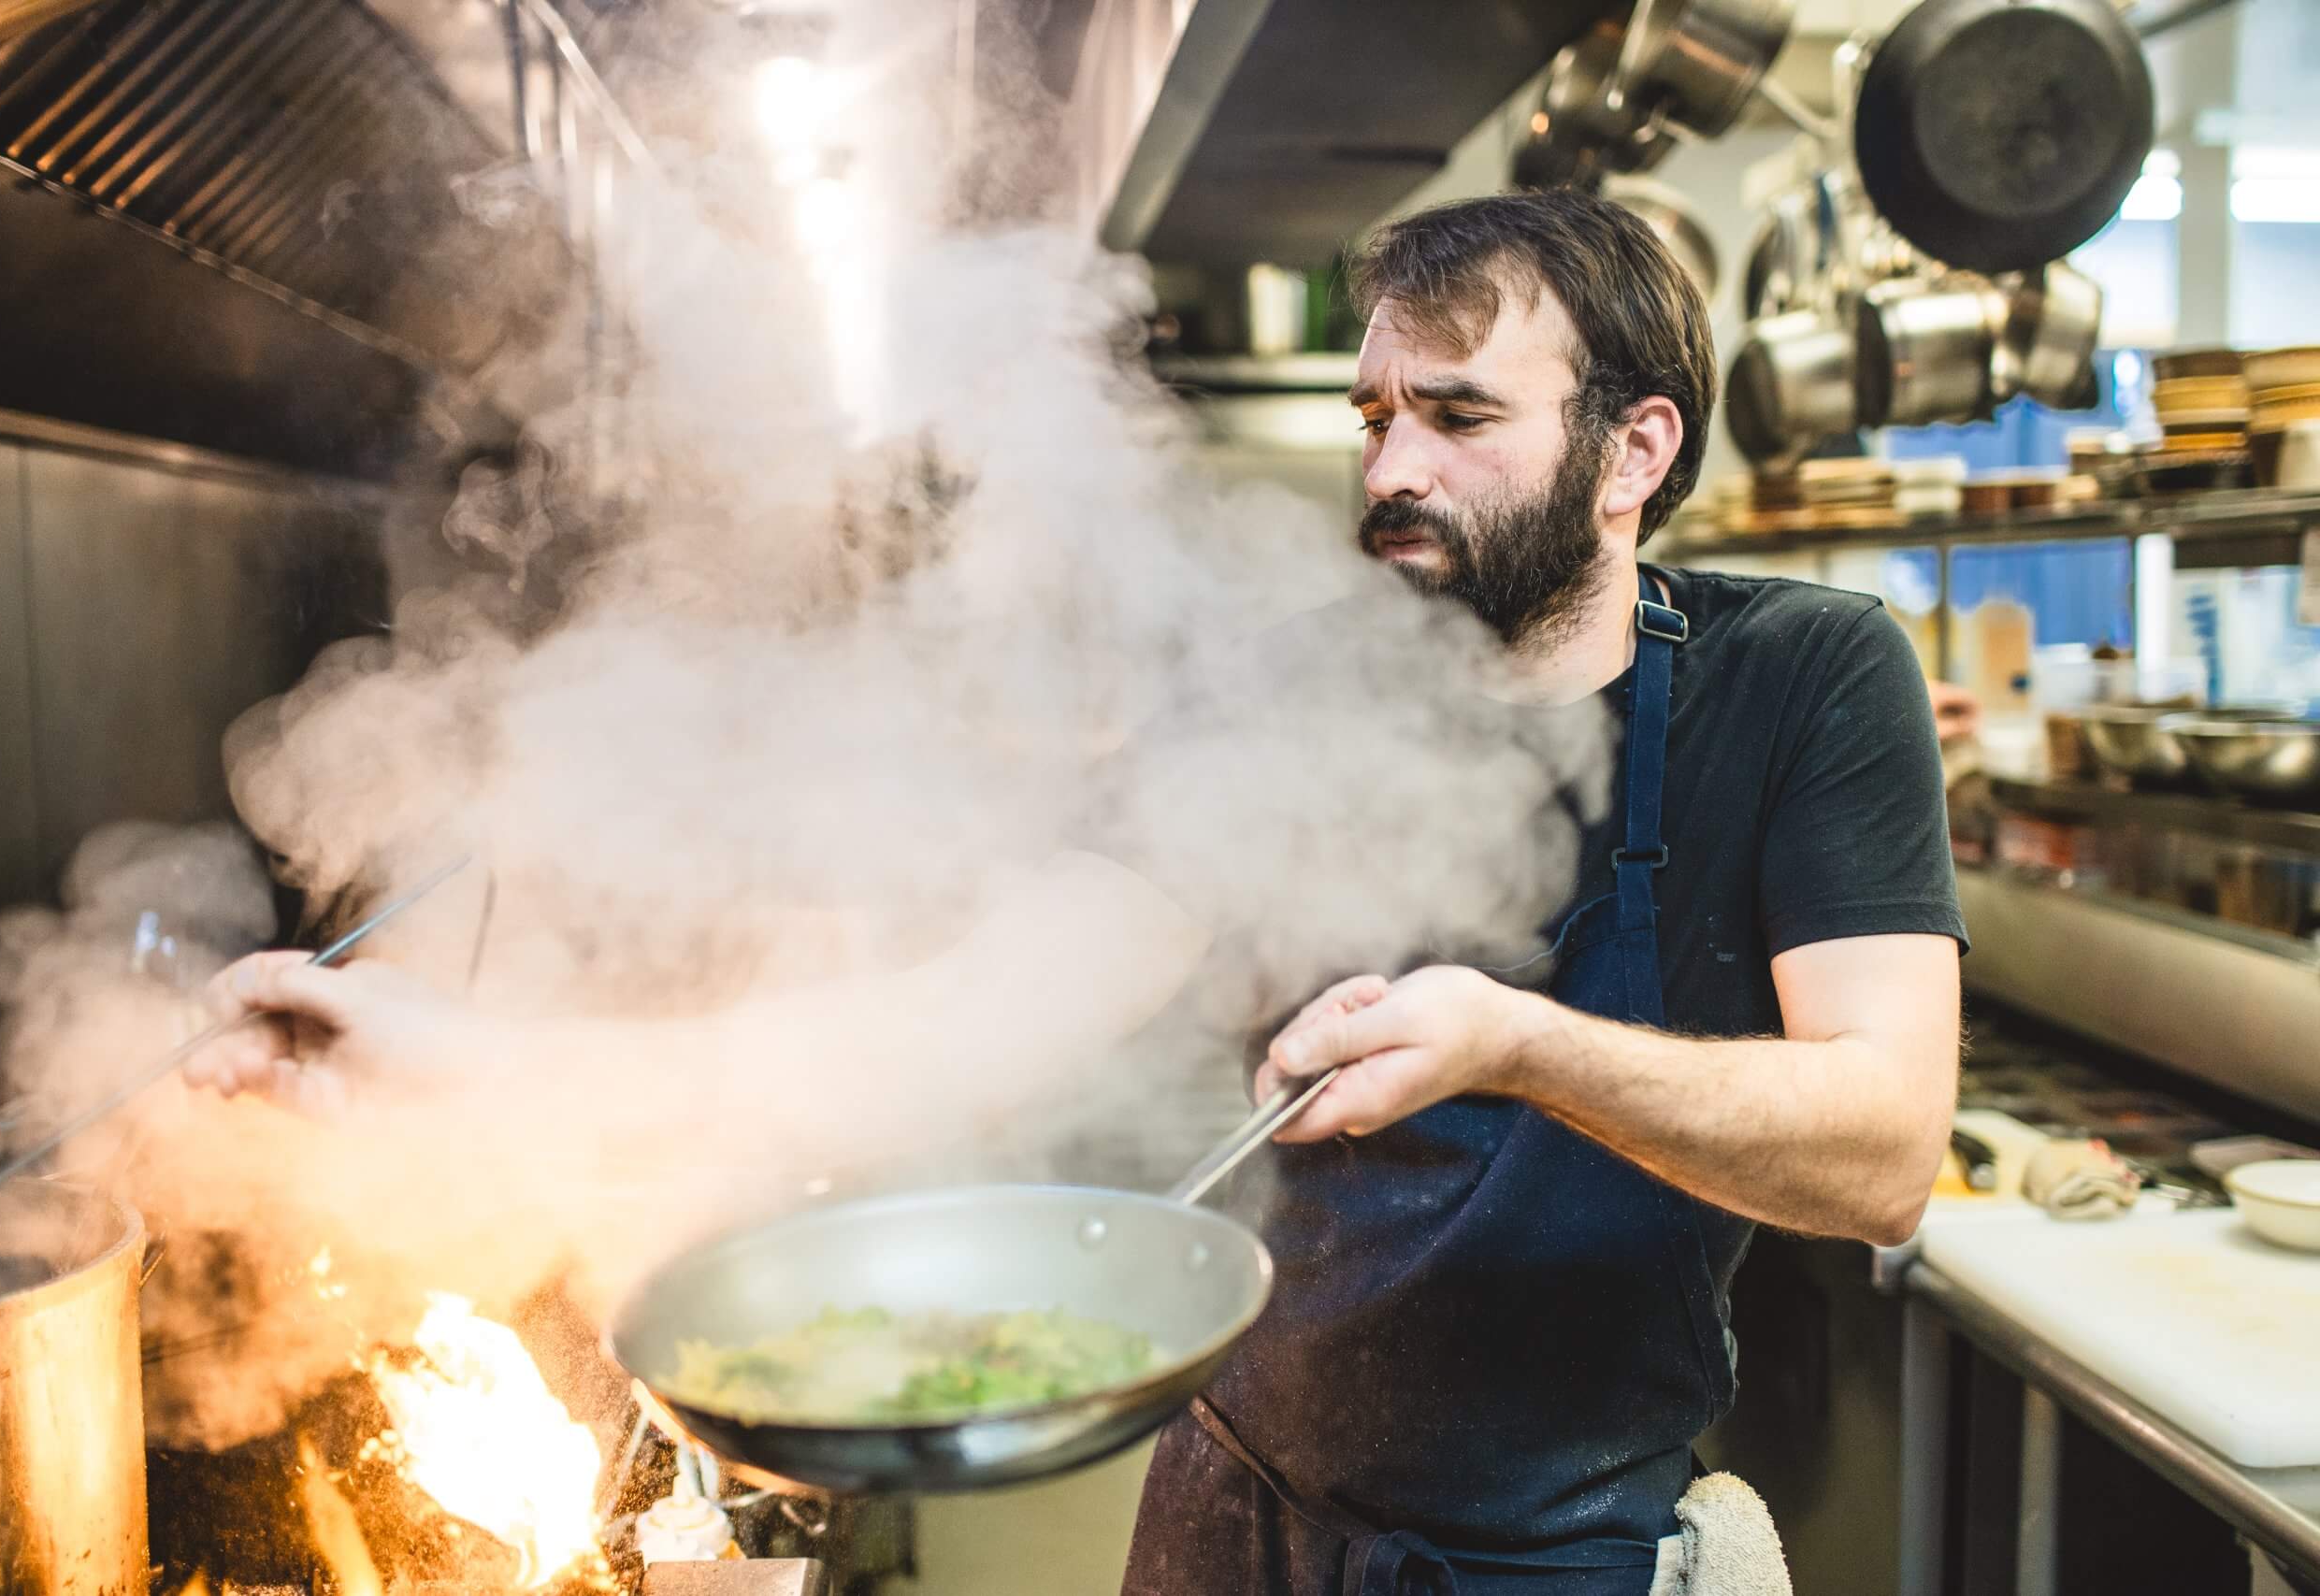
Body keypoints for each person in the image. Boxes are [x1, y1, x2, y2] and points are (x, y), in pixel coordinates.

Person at [195, 190, 1964, 1594]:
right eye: (1372, 416)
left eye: (1458, 416)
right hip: (1231, 1527)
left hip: (1554, 1561)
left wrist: (1516, 1044)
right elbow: (966, 1011)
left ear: (1636, 452)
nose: (1391, 468)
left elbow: (1885, 1146)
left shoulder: (1803, 679)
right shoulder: (1292, 691)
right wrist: (472, 1059)